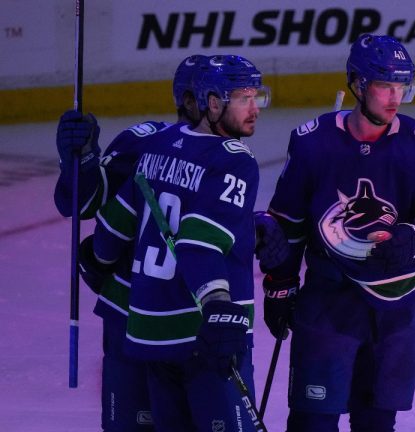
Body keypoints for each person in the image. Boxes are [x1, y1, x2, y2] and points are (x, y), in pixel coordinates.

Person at [261, 33, 415, 431]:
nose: (394, 98)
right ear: (357, 84)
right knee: (311, 422)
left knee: (375, 423)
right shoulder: (312, 144)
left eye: (402, 87)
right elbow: (289, 223)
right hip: (327, 303)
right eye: (385, 86)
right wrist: (280, 284)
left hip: (394, 310)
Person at [87, 54, 280, 431]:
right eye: (243, 98)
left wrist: (97, 258)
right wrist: (218, 306)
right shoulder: (234, 160)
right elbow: (200, 244)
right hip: (205, 333)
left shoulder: (158, 145)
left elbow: (112, 229)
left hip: (149, 333)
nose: (254, 108)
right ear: (212, 103)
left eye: (257, 97)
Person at [54, 54, 209, 431]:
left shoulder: (234, 158)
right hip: (131, 312)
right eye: (227, 96)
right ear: (189, 101)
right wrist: (81, 159)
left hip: (198, 322)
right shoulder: (145, 143)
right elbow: (80, 201)